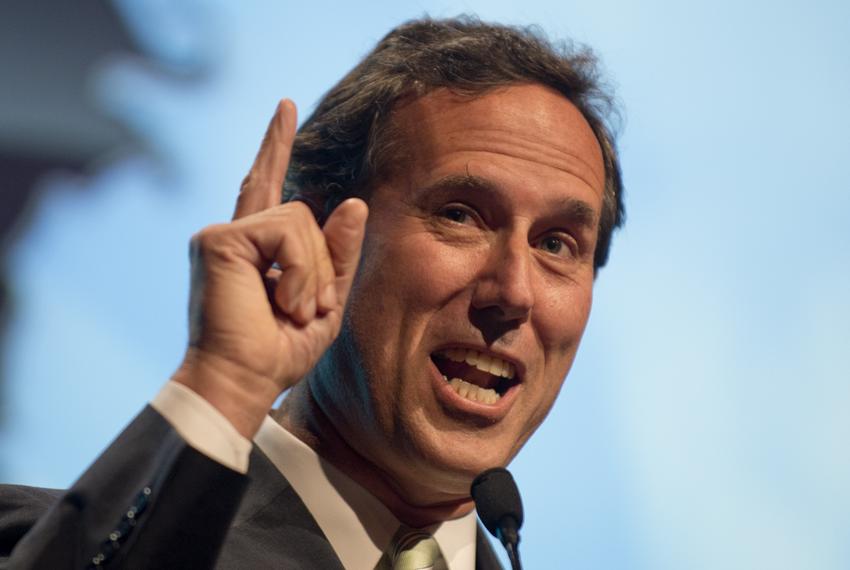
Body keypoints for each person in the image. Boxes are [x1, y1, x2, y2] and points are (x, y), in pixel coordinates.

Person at [0, 16, 624, 569]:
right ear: (318, 236)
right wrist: (225, 386)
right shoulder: (42, 540)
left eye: (558, 244)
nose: (514, 291)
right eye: (460, 214)